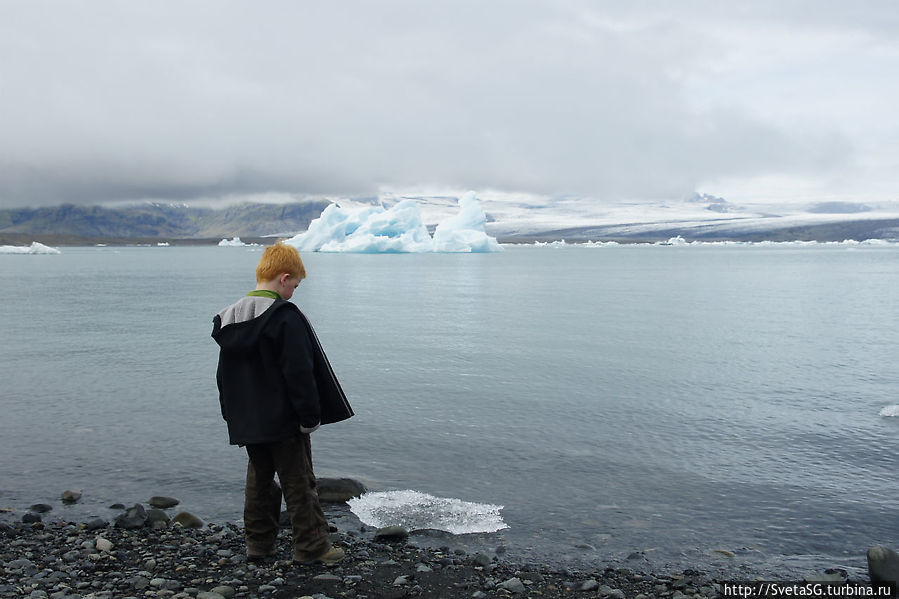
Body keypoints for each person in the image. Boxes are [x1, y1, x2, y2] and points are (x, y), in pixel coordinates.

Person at [211, 242, 353, 564]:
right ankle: (312, 548)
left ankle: (258, 546)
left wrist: (230, 415)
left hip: (249, 421)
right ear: (284, 278)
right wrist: (309, 416)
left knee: (258, 482)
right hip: (285, 421)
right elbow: (299, 371)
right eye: (295, 286)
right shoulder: (284, 316)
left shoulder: (232, 318)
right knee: (299, 482)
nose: (294, 294)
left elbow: (223, 376)